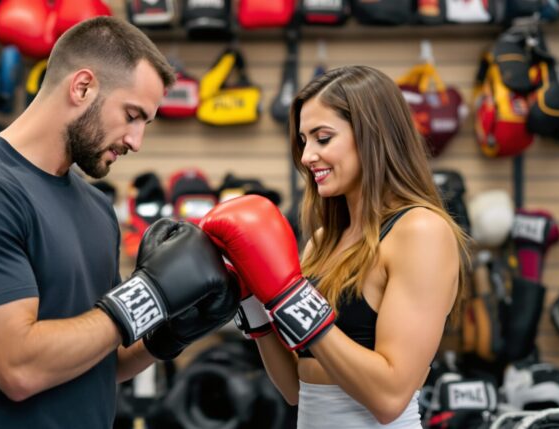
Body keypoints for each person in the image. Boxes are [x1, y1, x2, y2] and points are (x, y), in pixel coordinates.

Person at [0, 17, 238, 429]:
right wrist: (147, 295)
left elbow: (101, 361)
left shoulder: (96, 208)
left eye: (146, 123)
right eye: (132, 115)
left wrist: (168, 334)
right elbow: (20, 369)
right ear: (82, 87)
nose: (136, 141)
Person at [201, 65, 470, 428]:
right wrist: (253, 305)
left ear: (373, 136)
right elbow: (297, 387)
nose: (307, 156)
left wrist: (292, 302)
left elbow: (389, 397)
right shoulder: (321, 243)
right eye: (303, 141)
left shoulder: (421, 231)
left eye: (323, 138)